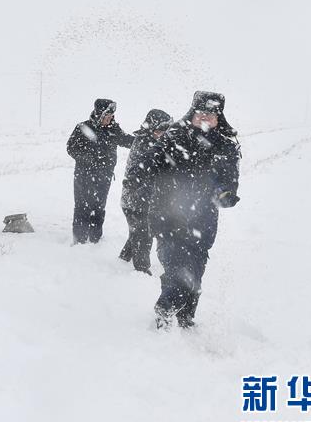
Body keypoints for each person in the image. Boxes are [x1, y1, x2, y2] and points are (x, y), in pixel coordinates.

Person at [132, 91, 241, 329]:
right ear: (192, 114)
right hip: (168, 216)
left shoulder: (225, 145)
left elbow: (229, 181)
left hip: (203, 221)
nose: (205, 119)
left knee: (195, 275)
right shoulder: (174, 137)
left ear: (218, 118)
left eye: (211, 115)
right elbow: (146, 165)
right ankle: (164, 312)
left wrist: (226, 194)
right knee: (177, 272)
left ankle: (185, 318)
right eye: (201, 114)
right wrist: (149, 185)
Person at [66, 99, 133, 244]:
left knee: (99, 205)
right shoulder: (83, 128)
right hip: (84, 175)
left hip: (104, 176)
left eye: (111, 116)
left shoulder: (113, 129)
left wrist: (143, 141)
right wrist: (87, 158)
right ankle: (79, 238)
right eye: (106, 116)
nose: (109, 119)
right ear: (98, 115)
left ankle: (95, 238)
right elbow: (71, 147)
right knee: (82, 206)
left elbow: (128, 141)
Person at [119, 109, 173, 275]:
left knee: (137, 231)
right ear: (151, 129)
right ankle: (142, 270)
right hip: (137, 201)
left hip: (136, 199)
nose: (163, 134)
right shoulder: (146, 146)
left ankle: (123, 258)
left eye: (165, 131)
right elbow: (146, 175)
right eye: (159, 131)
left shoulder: (151, 142)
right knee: (144, 235)